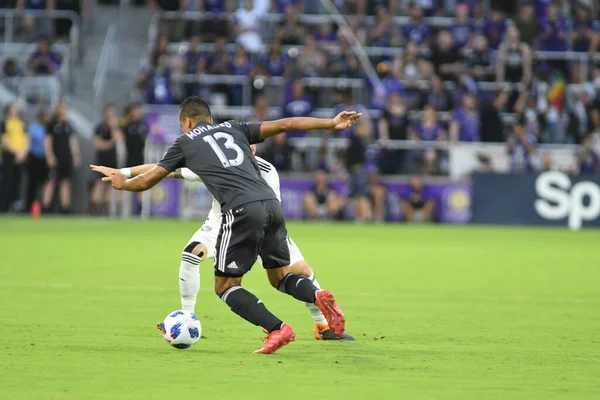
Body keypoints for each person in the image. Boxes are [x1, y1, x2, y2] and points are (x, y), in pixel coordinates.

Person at [93, 96, 362, 354]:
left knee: (226, 286)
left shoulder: (187, 142)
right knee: (280, 279)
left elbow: (151, 179)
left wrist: (123, 183)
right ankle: (317, 296)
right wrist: (330, 123)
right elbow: (285, 124)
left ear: (186, 122)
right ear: (210, 118)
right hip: (273, 207)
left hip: (241, 213)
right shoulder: (235, 128)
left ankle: (277, 329)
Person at [43, 101, 80, 213]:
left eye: (65, 109)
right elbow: (47, 141)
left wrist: (75, 156)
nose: (64, 111)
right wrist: (50, 156)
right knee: (51, 180)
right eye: (62, 108)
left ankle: (65, 206)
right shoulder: (52, 124)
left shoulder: (68, 125)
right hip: (55, 157)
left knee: (65, 181)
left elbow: (73, 141)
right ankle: (46, 206)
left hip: (66, 158)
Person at [91, 105, 122, 214]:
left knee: (110, 184)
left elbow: (118, 139)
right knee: (99, 183)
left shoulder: (115, 127)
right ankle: (95, 207)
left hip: (112, 159)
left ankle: (105, 207)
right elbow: (98, 144)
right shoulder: (100, 127)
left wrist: (113, 127)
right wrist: (109, 143)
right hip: (101, 160)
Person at [0, 104, 30, 213]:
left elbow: (26, 140)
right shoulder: (4, 123)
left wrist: (22, 153)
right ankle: (4, 206)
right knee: (7, 181)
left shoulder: (21, 124)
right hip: (9, 155)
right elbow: (4, 140)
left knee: (18, 181)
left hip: (21, 156)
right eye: (13, 108)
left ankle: (15, 205)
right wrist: (16, 152)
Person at [25, 110, 49, 212]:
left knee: (45, 184)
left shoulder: (49, 128)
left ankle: (43, 207)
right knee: (32, 184)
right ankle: (29, 206)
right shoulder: (33, 128)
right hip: (34, 158)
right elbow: (28, 143)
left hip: (45, 160)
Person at [123, 103, 148, 168]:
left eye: (137, 110)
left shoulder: (143, 124)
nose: (136, 113)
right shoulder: (127, 125)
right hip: (130, 155)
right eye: (134, 111)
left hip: (141, 155)